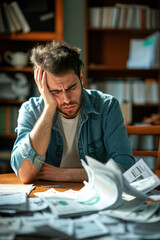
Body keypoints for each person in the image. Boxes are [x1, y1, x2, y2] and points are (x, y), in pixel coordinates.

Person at [11, 40, 135, 184]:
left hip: (95, 194)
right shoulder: (31, 110)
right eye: (55, 91)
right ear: (43, 89)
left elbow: (125, 167)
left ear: (81, 78)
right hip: (50, 195)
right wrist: (49, 107)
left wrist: (64, 174)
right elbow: (25, 174)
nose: (66, 99)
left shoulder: (107, 106)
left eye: (72, 88)